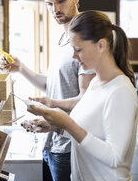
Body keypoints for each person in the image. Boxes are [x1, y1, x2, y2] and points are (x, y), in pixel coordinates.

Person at [0, 0, 95, 181]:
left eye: (61, 1)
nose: (56, 10)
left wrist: (50, 113)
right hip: (52, 143)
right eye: (50, 4)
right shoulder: (63, 37)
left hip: (71, 148)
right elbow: (53, 85)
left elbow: (87, 102)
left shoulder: (87, 38)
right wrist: (21, 68)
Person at [28, 10, 138, 181]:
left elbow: (114, 157)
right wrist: (56, 127)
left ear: (101, 45)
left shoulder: (120, 91)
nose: (74, 56)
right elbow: (89, 132)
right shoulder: (95, 83)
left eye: (78, 49)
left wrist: (67, 123)